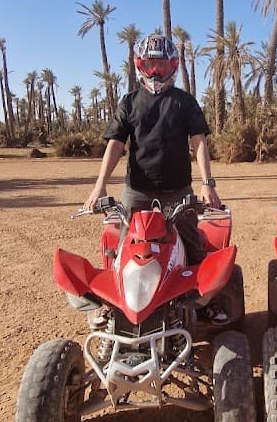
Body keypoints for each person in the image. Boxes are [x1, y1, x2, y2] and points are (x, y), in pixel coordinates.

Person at [82, 33, 222, 273]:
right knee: (126, 248)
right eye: (150, 64)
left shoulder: (185, 102)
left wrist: (207, 184)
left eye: (161, 64)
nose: (156, 71)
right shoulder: (129, 102)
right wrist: (99, 186)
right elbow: (116, 144)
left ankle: (200, 307)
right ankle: (117, 308)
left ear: (173, 65)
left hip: (178, 190)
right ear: (140, 65)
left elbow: (199, 141)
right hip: (137, 190)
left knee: (193, 248)